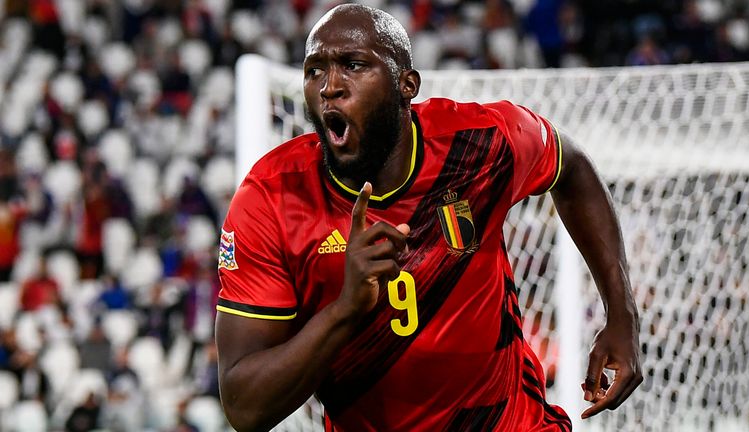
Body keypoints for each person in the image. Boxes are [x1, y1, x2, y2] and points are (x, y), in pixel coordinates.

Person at [215, 4, 642, 431]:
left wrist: (622, 315)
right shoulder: (271, 198)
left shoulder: (481, 142)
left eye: (353, 65)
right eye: (314, 71)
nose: (330, 87)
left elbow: (573, 166)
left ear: (407, 85)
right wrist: (345, 309)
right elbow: (244, 408)